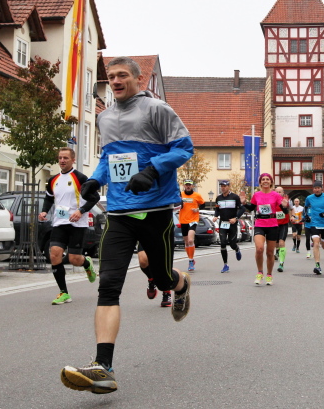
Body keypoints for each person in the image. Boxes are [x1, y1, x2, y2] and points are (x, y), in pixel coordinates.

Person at [61, 56, 193, 395]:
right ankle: (103, 367)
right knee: (108, 285)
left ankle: (179, 285)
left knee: (161, 277)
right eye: (111, 76)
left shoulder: (157, 110)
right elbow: (109, 158)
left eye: (122, 75)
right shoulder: (105, 117)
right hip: (119, 213)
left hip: (156, 210)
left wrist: (153, 170)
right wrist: (95, 180)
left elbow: (184, 148)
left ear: (137, 78)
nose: (116, 81)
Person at [39, 147, 99, 305]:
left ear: (73, 160)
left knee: (74, 259)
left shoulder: (80, 178)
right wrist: (44, 211)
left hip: (77, 224)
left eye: (65, 158)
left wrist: (81, 211)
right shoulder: (53, 180)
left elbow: (95, 198)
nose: (62, 161)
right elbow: (49, 198)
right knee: (54, 254)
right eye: (60, 158)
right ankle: (63, 292)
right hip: (60, 222)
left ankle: (86, 263)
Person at [240, 173, 286, 285]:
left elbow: (284, 211)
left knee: (270, 253)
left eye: (267, 179)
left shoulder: (276, 195)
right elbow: (251, 208)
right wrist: (244, 203)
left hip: (272, 225)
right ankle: (260, 272)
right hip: (260, 224)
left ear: (271, 182)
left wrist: (285, 206)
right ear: (260, 182)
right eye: (263, 179)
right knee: (259, 249)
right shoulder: (256, 195)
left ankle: (269, 275)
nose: (265, 181)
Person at [303, 181, 324, 274]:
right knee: (316, 243)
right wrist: (306, 216)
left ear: (321, 188)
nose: (317, 190)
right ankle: (317, 265)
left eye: (318, 188)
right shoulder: (309, 198)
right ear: (313, 189)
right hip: (314, 223)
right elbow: (305, 207)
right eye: (315, 188)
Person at [213, 179, 244, 273]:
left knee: (232, 243)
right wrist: (215, 216)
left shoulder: (235, 197)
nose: (223, 188)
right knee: (222, 243)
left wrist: (236, 218)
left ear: (228, 187)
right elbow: (217, 209)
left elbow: (242, 209)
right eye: (221, 186)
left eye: (225, 186)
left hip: (232, 223)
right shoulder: (218, 198)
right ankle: (225, 265)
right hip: (223, 223)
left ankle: (236, 249)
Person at [179, 179, 204, 272]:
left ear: (192, 186)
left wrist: (197, 209)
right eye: (186, 185)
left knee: (190, 240)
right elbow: (176, 204)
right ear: (184, 186)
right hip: (183, 220)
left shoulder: (197, 195)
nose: (188, 186)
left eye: (189, 185)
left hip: (193, 220)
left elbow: (203, 204)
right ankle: (191, 259)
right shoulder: (180, 195)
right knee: (186, 242)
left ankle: (190, 261)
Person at [274, 187, 291, 272]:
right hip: (274, 224)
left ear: (283, 192)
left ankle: (281, 263)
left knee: (281, 242)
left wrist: (285, 206)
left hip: (283, 224)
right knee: (276, 243)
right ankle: (277, 251)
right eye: (276, 192)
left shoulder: (286, 200)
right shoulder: (272, 200)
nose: (278, 193)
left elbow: (289, 209)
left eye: (280, 192)